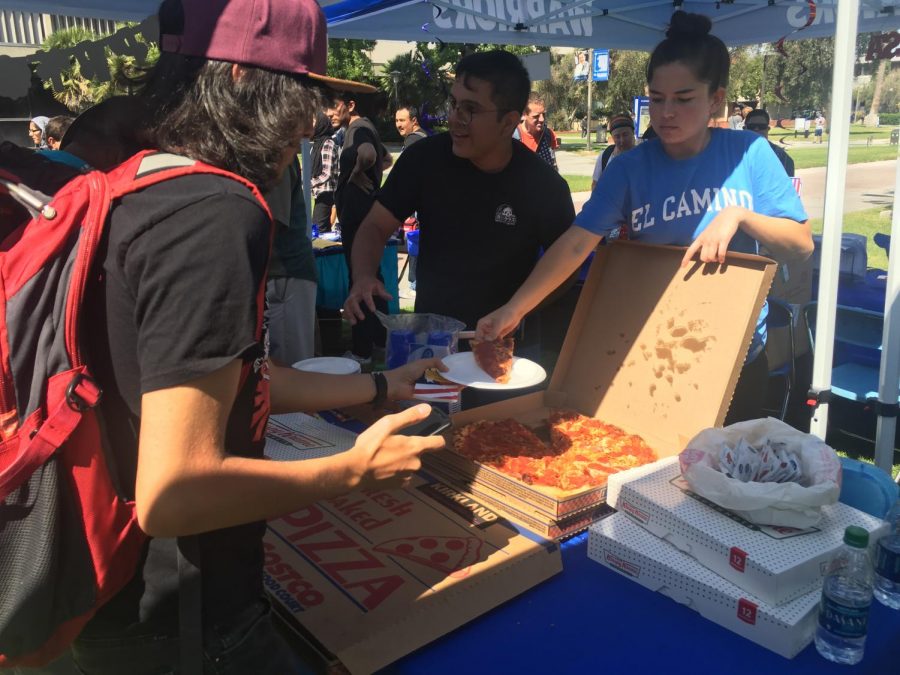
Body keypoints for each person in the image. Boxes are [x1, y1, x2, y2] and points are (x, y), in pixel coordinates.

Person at [72, 1, 447, 673]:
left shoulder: (139, 176)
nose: (307, 126)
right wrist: (350, 471)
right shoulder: (215, 213)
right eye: (304, 96)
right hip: (187, 619)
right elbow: (174, 490)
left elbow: (230, 377)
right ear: (245, 82)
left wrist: (378, 385)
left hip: (110, 595)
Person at [477, 11, 812, 425]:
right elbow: (575, 244)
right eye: (656, 98)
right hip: (658, 352)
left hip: (737, 360)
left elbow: (800, 245)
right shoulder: (628, 167)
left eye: (684, 99)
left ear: (717, 98)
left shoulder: (750, 154)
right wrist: (515, 309)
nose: (666, 112)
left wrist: (740, 216)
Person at [343, 49, 574, 336]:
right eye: (453, 104)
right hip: (432, 343)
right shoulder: (423, 160)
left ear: (508, 121)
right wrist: (363, 276)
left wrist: (519, 309)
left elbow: (567, 266)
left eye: (471, 109)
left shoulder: (543, 185)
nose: (455, 118)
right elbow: (376, 226)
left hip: (503, 347)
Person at [334, 91, 392, 364]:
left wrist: (358, 169)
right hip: (364, 215)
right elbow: (386, 158)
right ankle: (381, 342)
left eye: (333, 106)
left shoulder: (357, 129)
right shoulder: (366, 127)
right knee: (372, 279)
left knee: (359, 280)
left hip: (358, 218)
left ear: (351, 105)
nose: (329, 113)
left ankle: (361, 351)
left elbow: (369, 154)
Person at [264, 154, 318, 366]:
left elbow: (271, 221)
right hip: (275, 275)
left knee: (292, 369)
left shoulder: (275, 152)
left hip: (284, 275)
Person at [514, 92, 559, 170]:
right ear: (524, 115)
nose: (542, 119)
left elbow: (553, 165)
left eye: (543, 114)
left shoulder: (549, 135)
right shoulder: (512, 137)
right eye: (536, 116)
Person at [744, 108, 795, 177]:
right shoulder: (733, 154)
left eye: (761, 126)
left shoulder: (782, 157)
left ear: (768, 129)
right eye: (752, 126)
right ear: (744, 128)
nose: (756, 129)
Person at [310, 111, 339, 233]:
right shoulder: (316, 144)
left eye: (314, 122)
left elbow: (327, 173)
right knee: (324, 230)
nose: (311, 125)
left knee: (317, 229)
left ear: (321, 124)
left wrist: (309, 183)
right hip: (319, 194)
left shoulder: (327, 143)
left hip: (326, 194)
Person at [591, 114, 635, 190]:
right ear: (612, 137)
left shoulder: (643, 158)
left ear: (633, 133)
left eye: (625, 134)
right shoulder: (605, 156)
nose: (622, 140)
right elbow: (595, 185)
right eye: (617, 136)